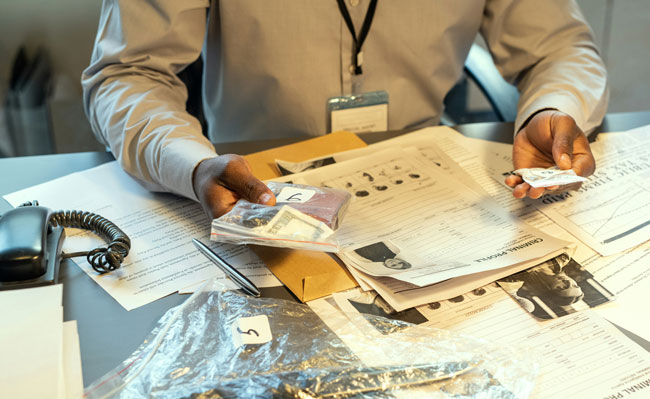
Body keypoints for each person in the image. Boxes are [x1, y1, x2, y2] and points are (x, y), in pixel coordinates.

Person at [82, 0, 608, 219]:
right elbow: (128, 72)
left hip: (424, 187)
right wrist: (191, 164)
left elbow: (558, 46)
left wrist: (551, 107)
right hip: (254, 185)